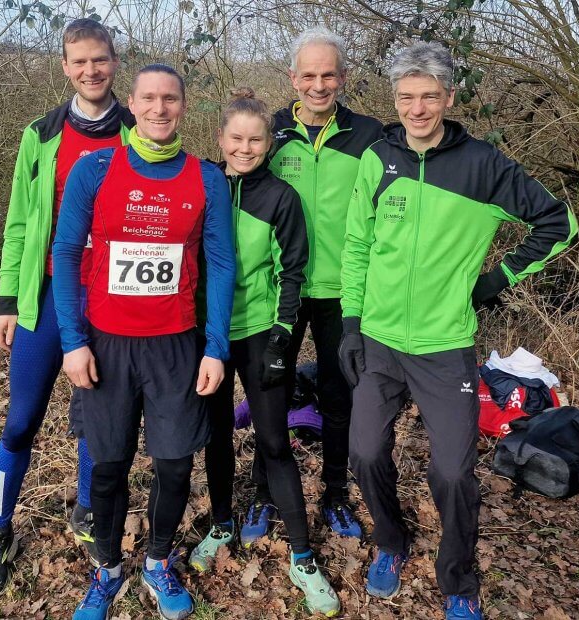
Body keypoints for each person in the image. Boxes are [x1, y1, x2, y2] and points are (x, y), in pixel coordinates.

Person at [340, 42, 578, 619]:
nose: (417, 108)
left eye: (428, 96)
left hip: (445, 344)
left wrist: (496, 280)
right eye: (405, 97)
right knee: (365, 453)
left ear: (448, 97)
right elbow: (356, 246)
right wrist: (350, 324)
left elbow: (558, 222)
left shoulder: (485, 165)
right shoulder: (378, 158)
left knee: (451, 471)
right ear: (394, 100)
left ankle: (460, 580)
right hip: (379, 340)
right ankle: (391, 543)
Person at [53, 64, 235, 620]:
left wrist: (216, 346)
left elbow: (223, 264)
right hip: (107, 345)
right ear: (131, 104)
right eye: (149, 99)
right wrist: (72, 340)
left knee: (175, 465)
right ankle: (107, 571)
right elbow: (64, 254)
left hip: (175, 347)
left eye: (171, 99)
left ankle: (157, 562)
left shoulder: (206, 177)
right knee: (109, 467)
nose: (160, 109)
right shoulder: (96, 169)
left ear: (184, 106)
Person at [0, 18, 135, 599]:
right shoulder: (39, 134)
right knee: (22, 419)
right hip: (44, 297)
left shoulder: (139, 131)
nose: (91, 71)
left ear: (115, 61)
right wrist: (7, 300)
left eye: (101, 59)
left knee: (94, 416)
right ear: (65, 67)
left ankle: (89, 510)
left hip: (111, 300)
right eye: (79, 62)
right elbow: (19, 221)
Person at [188, 88, 341, 616]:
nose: (245, 148)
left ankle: (302, 558)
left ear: (269, 143)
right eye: (236, 138)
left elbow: (292, 270)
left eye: (256, 139)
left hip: (257, 331)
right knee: (216, 437)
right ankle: (221, 525)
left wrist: (281, 334)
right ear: (221, 139)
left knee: (275, 442)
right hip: (207, 333)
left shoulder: (280, 197)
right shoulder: (202, 184)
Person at [249, 27, 382, 543]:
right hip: (278, 290)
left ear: (343, 77)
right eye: (309, 74)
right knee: (270, 395)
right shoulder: (270, 131)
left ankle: (334, 495)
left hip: (342, 292)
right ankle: (264, 493)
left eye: (329, 74)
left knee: (338, 396)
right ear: (293, 78)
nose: (319, 84)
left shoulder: (370, 134)